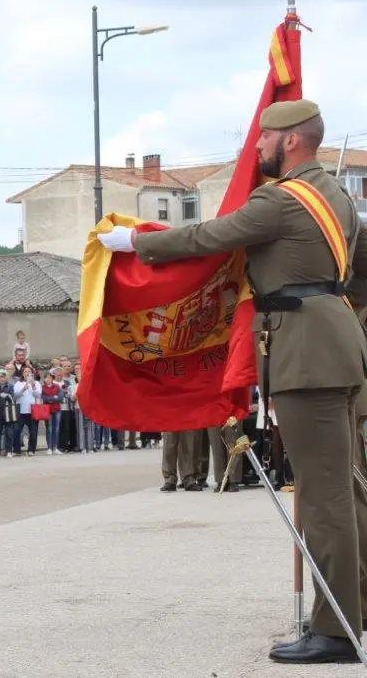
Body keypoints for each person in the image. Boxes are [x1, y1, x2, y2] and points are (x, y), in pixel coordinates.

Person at [98, 99, 367, 664]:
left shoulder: (282, 199)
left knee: (323, 495)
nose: (257, 150)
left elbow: (208, 237)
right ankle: (354, 605)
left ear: (290, 140)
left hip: (305, 353)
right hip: (336, 344)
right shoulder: (338, 196)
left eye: (263, 140)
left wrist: (135, 244)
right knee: (345, 483)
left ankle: (336, 630)